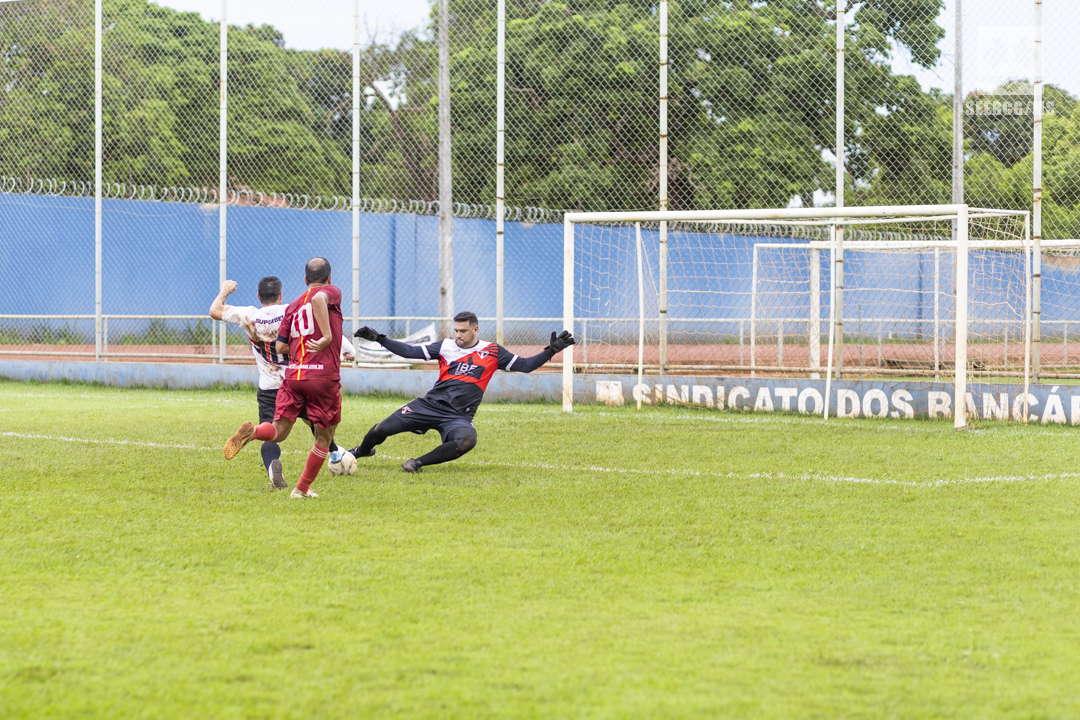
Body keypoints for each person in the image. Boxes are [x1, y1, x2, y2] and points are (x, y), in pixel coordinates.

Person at [344, 311, 575, 473]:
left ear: (475, 329)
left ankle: (417, 463)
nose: (458, 335)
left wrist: (550, 351)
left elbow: (525, 365)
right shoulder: (446, 346)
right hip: (429, 405)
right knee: (381, 429)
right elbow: (410, 352)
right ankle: (362, 451)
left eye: (463, 331)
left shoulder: (492, 351)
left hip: (458, 416)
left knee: (467, 440)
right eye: (456, 330)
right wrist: (380, 339)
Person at [210, 276, 353, 490]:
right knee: (317, 422)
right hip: (297, 379)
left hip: (269, 386)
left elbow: (214, 311)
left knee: (271, 433)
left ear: (258, 296)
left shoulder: (249, 315)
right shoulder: (292, 310)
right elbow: (321, 325)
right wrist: (347, 349)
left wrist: (224, 291)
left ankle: (273, 468)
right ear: (280, 295)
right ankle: (335, 454)